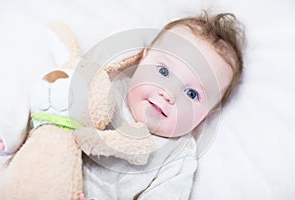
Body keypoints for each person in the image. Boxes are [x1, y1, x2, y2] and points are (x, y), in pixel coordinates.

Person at [79, 10, 245, 199]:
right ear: (143, 58)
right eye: (163, 71)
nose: (168, 93)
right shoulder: (108, 88)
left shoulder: (178, 158)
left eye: (192, 94)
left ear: (207, 114)